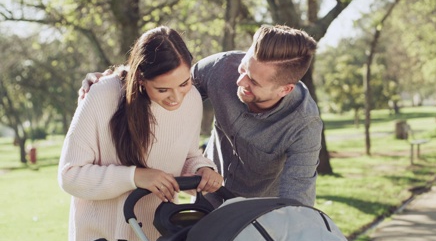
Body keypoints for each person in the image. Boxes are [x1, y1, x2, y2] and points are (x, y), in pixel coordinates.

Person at [59, 26, 223, 241]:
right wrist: (134, 176)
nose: (176, 98)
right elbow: (70, 175)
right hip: (100, 233)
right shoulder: (103, 95)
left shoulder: (192, 100)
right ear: (141, 80)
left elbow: (186, 154)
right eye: (163, 89)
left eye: (184, 83)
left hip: (156, 231)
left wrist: (203, 169)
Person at [81, 25, 322, 206]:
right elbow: (166, 82)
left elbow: (297, 200)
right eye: (243, 68)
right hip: (206, 200)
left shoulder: (304, 125)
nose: (240, 81)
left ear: (285, 89)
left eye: (254, 82)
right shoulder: (220, 68)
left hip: (259, 213)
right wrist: (114, 81)